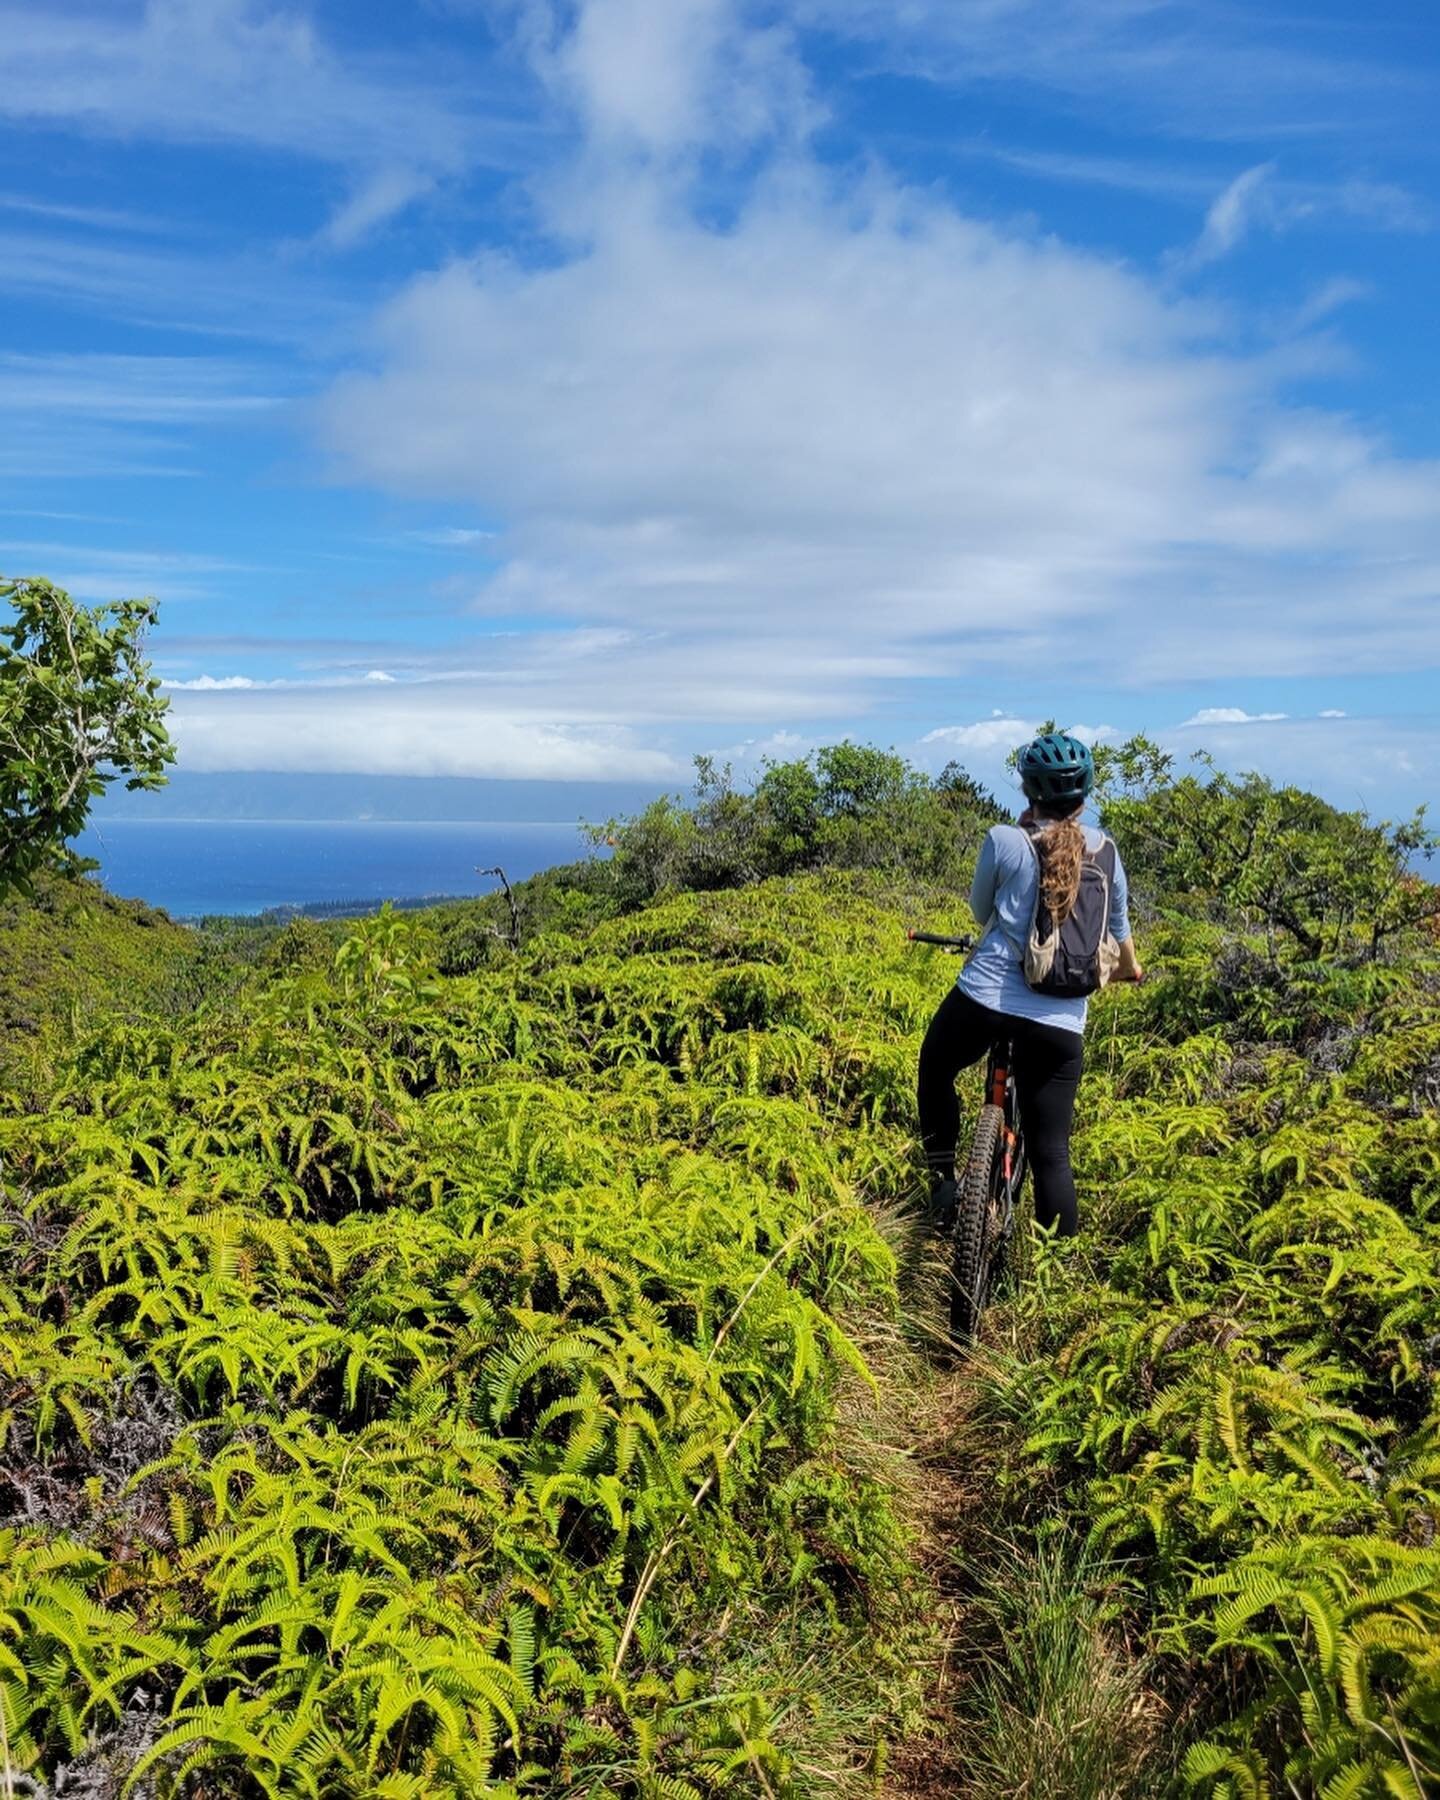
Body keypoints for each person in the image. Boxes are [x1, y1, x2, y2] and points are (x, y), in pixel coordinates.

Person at [917, 731, 1140, 1237]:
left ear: (1027, 790)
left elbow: (980, 912)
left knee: (935, 1067)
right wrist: (1129, 969)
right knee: (1052, 1152)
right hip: (1061, 1019)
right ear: (1084, 792)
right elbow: (1120, 932)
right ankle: (1056, 1281)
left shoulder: (1005, 840)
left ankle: (943, 1183)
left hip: (987, 997)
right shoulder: (1106, 852)